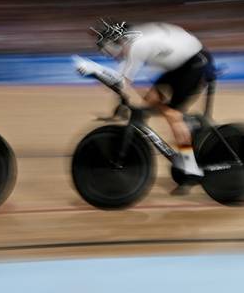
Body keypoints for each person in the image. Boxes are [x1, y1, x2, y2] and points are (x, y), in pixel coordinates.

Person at [87, 18, 214, 193]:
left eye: (108, 51)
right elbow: (122, 81)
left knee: (172, 115)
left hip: (195, 64)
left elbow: (121, 82)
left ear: (115, 42)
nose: (112, 56)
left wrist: (94, 72)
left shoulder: (137, 46)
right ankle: (187, 126)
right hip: (182, 64)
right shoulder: (133, 40)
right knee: (149, 100)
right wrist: (120, 105)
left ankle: (191, 168)